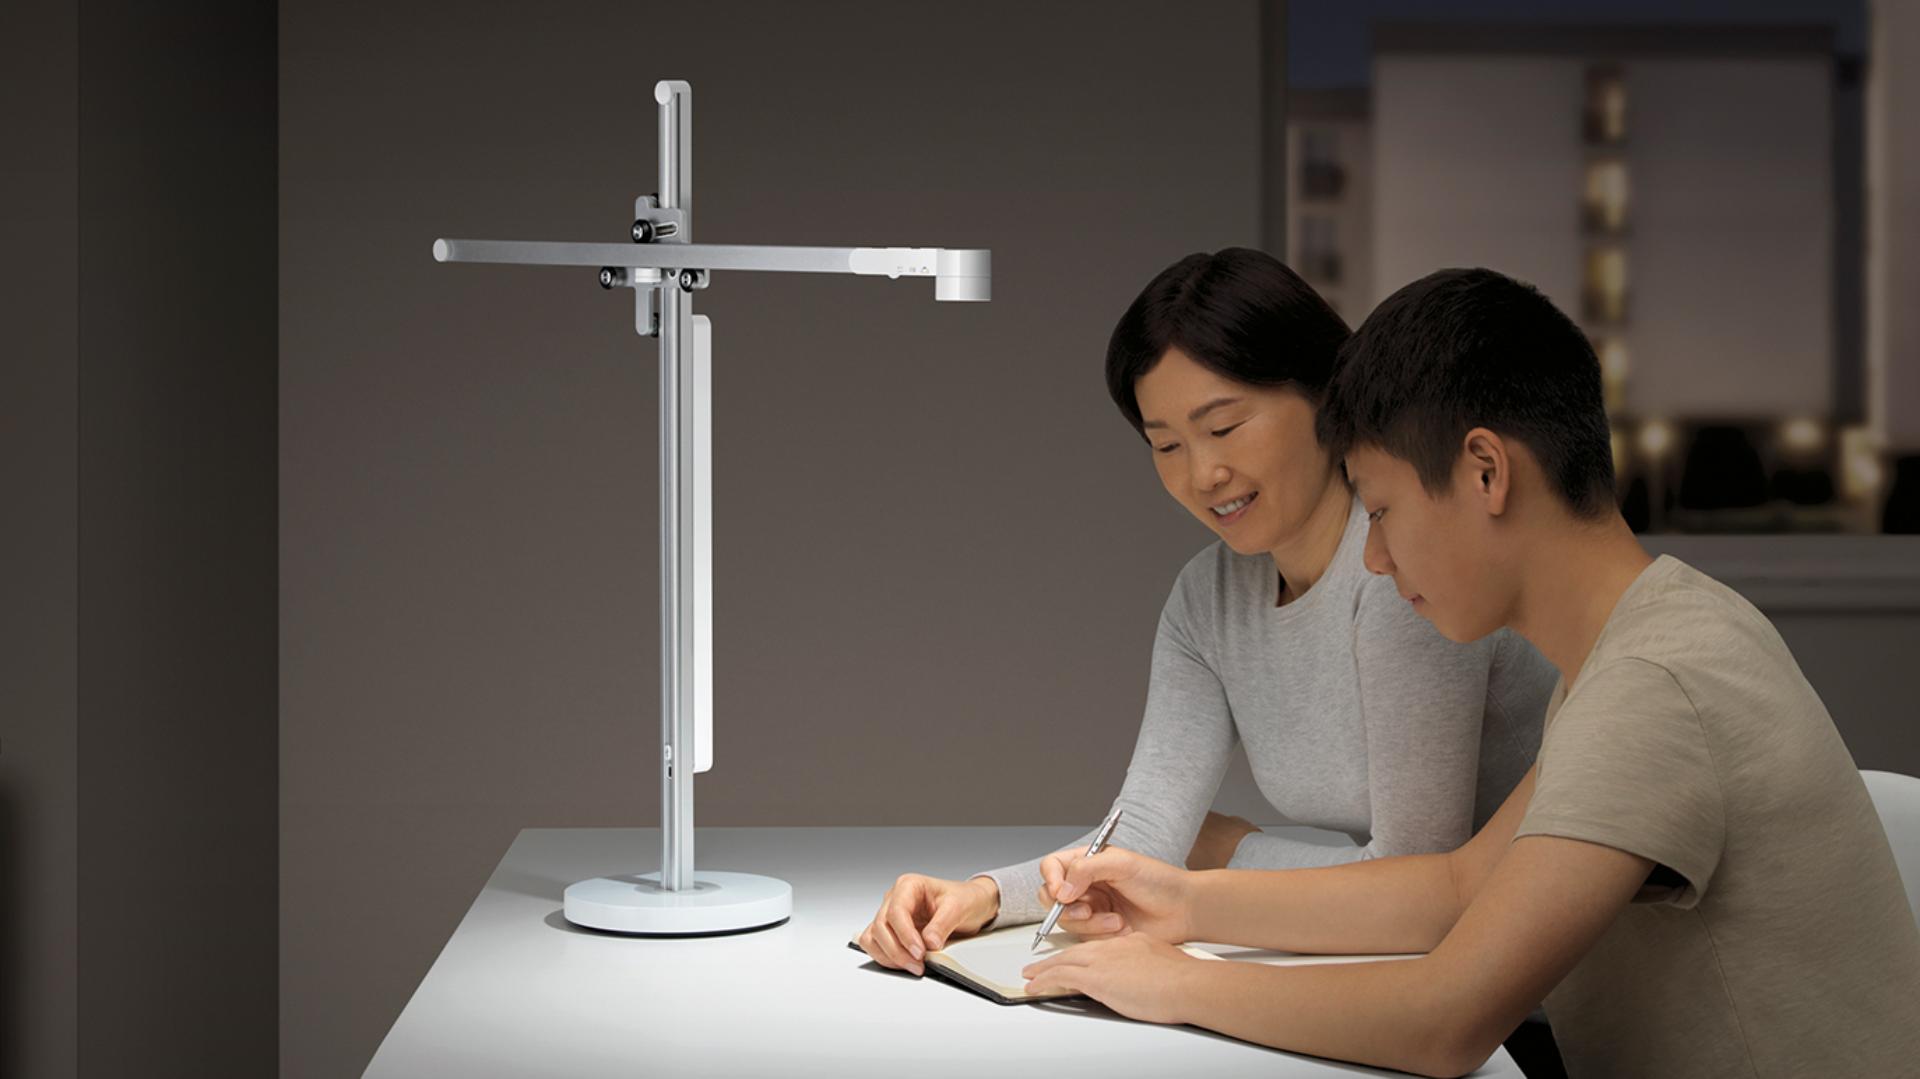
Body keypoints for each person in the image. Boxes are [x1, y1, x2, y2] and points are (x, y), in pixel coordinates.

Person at [1020, 268, 1920, 1077]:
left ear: (1486, 471)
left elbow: (1444, 1020)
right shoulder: (1637, 649)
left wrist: (1174, 982)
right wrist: (1183, 900)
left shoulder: (1655, 685)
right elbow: (1451, 888)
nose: (1371, 558)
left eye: (1381, 511)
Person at [856, 249, 1557, 977]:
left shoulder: (1408, 571)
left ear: (1323, 392)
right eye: (1166, 445)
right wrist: (981, 896)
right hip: (1398, 968)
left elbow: (1418, 878)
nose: (1201, 475)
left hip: (1523, 989)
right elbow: (1153, 831)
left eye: (1223, 428)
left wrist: (1228, 851)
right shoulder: (1208, 598)